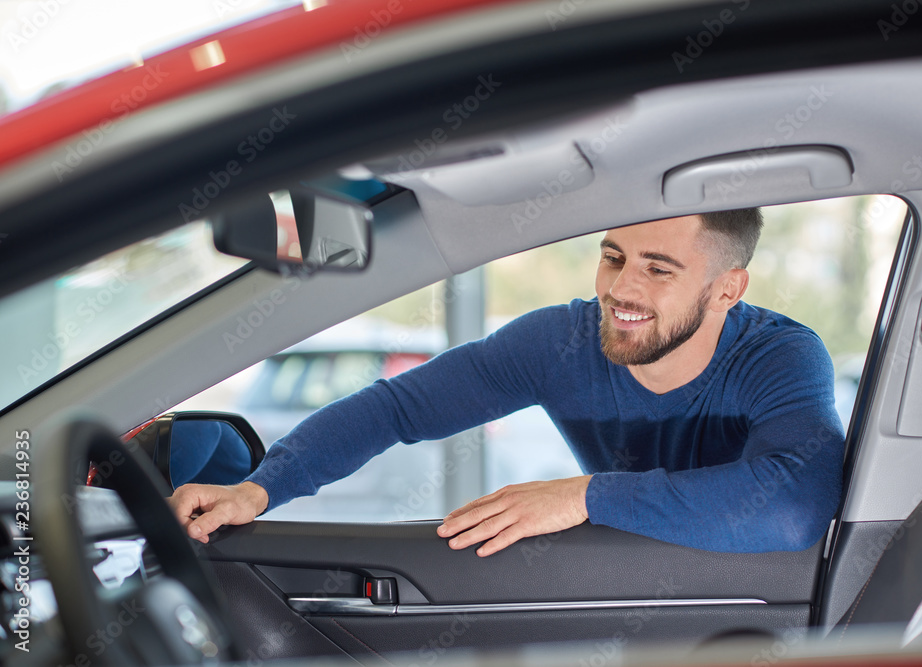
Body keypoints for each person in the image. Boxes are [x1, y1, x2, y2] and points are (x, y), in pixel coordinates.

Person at [169, 209, 844, 555]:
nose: (621, 289)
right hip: (619, 589)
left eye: (659, 269)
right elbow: (396, 410)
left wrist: (585, 494)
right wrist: (259, 486)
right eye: (612, 258)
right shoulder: (560, 342)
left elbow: (793, 505)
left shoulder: (781, 356)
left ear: (728, 289)